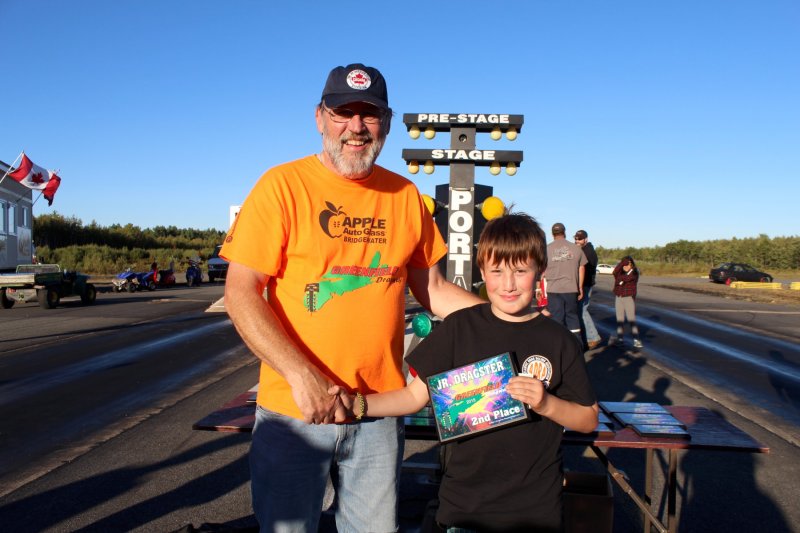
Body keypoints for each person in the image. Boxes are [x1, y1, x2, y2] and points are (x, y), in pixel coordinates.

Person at [220, 63, 482, 533]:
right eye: (343, 112)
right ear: (320, 117)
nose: (356, 127)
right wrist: (301, 376)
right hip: (294, 410)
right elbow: (241, 293)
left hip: (377, 412)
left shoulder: (405, 196)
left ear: (387, 123)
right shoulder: (282, 186)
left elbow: (436, 291)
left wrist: (513, 321)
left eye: (370, 114)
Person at [336, 213, 599, 532]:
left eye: (520, 271)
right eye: (497, 271)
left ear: (540, 270)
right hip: (464, 508)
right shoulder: (459, 328)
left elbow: (588, 418)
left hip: (535, 509)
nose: (509, 284)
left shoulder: (558, 340)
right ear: (482, 272)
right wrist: (358, 404)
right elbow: (413, 397)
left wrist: (546, 404)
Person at [543, 222, 587, 338]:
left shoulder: (546, 249)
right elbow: (582, 268)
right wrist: (580, 287)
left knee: (556, 319)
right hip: (571, 289)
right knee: (572, 317)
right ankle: (576, 344)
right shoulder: (576, 248)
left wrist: (539, 288)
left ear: (552, 234)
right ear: (564, 232)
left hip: (553, 290)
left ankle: (558, 345)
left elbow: (542, 270)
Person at [574, 229, 602, 349]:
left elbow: (584, 270)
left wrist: (579, 285)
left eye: (580, 239)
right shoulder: (584, 250)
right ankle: (590, 337)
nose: (577, 241)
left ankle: (592, 337)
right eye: (576, 238)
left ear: (586, 239)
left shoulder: (587, 252)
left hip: (585, 285)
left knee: (582, 310)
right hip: (585, 284)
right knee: (581, 310)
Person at [613, 255, 642, 348]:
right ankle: (620, 339)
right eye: (624, 264)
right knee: (620, 320)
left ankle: (636, 340)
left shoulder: (634, 273)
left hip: (628, 298)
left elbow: (627, 279)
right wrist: (622, 263)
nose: (626, 266)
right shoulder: (620, 272)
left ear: (632, 264)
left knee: (631, 319)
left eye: (628, 264)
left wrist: (619, 279)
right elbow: (614, 272)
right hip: (619, 298)